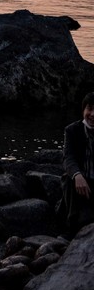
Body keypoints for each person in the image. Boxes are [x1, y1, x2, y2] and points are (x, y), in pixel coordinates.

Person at [59, 91, 94, 236]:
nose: (93, 114)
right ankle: (71, 227)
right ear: (83, 110)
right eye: (89, 109)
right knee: (69, 178)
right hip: (81, 184)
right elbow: (68, 158)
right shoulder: (72, 130)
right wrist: (77, 175)